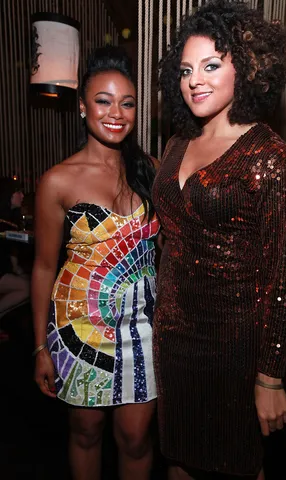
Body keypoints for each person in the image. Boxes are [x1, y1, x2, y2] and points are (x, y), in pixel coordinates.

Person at [152, 1, 286, 479]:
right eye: (185, 70)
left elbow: (284, 279)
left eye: (211, 65)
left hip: (232, 350)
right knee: (178, 459)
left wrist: (270, 377)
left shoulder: (272, 158)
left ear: (248, 65)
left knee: (234, 464)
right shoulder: (177, 142)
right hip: (172, 341)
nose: (194, 79)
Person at [32, 45, 160, 480]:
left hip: (143, 330)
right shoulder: (58, 180)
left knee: (138, 439)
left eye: (126, 103)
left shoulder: (151, 170)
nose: (116, 113)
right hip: (78, 332)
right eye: (103, 101)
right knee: (86, 434)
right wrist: (40, 347)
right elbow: (45, 268)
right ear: (83, 106)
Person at [0, 177, 29, 324]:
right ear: (8, 195)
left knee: (29, 284)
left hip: (5, 269)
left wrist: (17, 269)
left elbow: (12, 253)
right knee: (27, 288)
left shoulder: (11, 220)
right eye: (18, 192)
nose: (23, 196)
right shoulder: (3, 222)